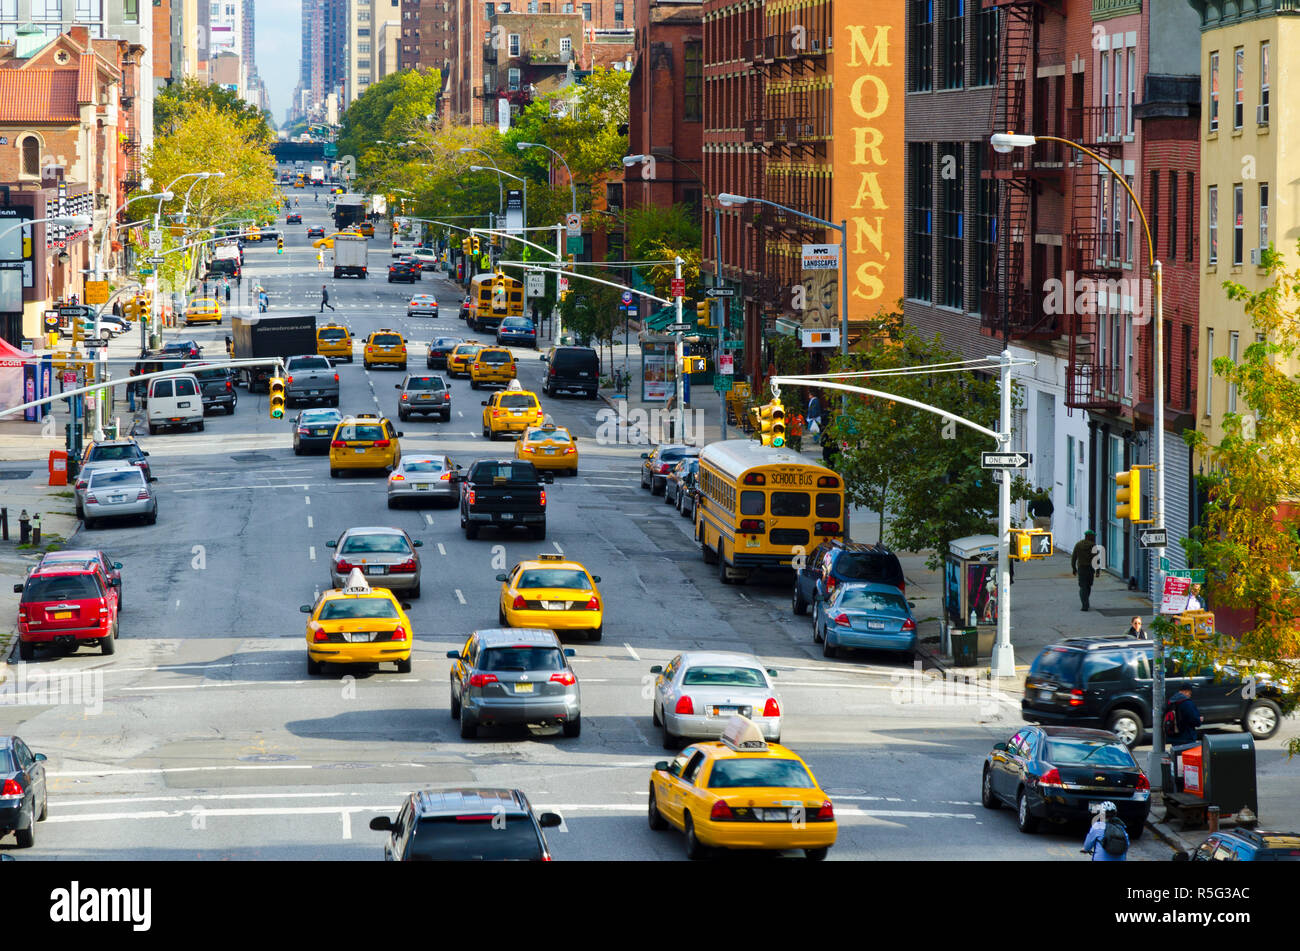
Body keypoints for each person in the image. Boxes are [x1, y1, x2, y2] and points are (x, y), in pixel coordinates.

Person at [1071, 530, 1097, 611]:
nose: (1094, 537)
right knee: (1088, 586)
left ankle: (1085, 603)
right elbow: (1096, 559)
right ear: (1089, 536)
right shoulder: (1093, 546)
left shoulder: (1078, 545)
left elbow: (1074, 558)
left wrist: (1074, 568)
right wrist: (1098, 570)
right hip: (1090, 569)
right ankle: (1085, 603)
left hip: (1081, 569)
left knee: (1083, 587)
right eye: (1093, 536)